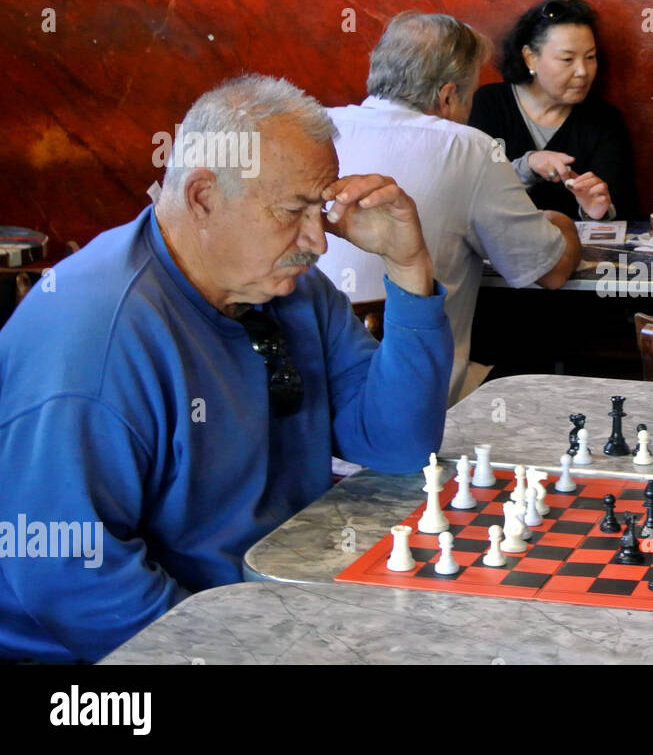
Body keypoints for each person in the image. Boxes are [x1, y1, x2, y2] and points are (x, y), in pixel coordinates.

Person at [0, 75, 454, 662]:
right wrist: (236, 651)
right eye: (294, 210)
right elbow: (70, 580)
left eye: (321, 208)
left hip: (274, 602)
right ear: (203, 197)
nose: (319, 241)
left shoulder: (289, 290)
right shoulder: (97, 335)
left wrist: (408, 265)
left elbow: (397, 443)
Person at [315, 11, 582, 402]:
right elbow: (551, 271)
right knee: (535, 369)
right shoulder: (468, 147)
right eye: (470, 95)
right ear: (447, 95)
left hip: (305, 396)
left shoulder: (313, 129)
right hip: (417, 403)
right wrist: (561, 222)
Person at [468, 0, 635, 220]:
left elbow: (620, 203)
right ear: (530, 59)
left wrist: (596, 209)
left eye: (590, 57)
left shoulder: (603, 120)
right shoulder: (488, 104)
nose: (583, 71)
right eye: (567, 59)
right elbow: (472, 187)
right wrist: (528, 165)